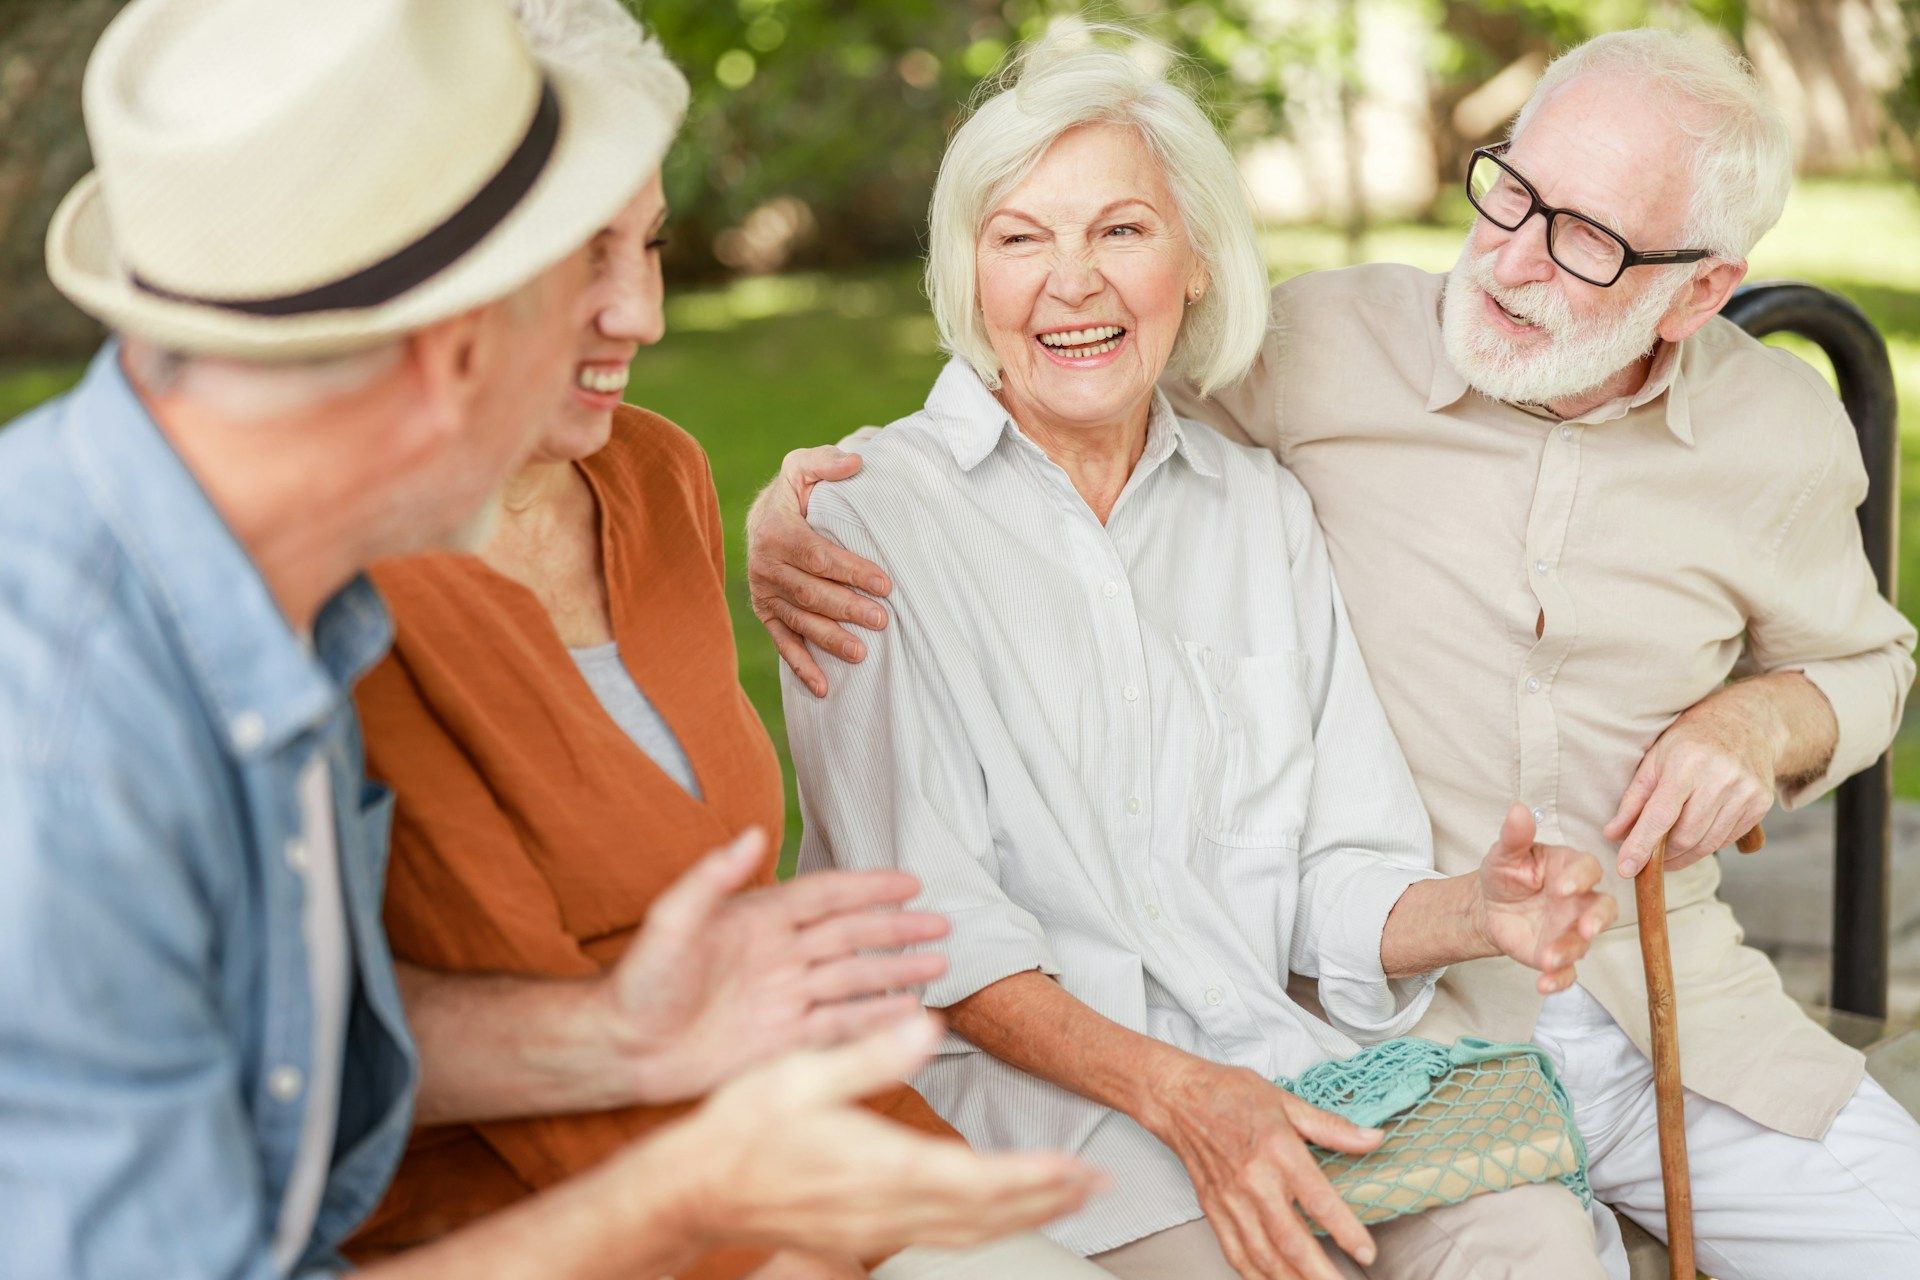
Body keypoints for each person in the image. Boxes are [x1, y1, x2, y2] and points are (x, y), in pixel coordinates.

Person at [748, 27, 1920, 1280]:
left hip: (1661, 1010)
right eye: (1511, 192)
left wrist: (1760, 723)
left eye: (1583, 239)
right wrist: (797, 511)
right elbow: (1055, 387)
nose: (1512, 257)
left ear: (1697, 290)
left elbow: (1870, 666)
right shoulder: (1319, 348)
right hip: (1379, 1022)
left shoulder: (1773, 428)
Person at [0, 2, 1098, 1278]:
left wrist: (620, 1031)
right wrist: (684, 1200)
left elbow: (285, 1054)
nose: (633, 317)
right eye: (565, 272)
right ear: (450, 346)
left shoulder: (249, 592)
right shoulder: (63, 737)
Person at [343, 4, 1109, 1278]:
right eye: (581, 257)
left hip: (793, 1121)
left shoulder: (656, 475)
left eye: (646, 244)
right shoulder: (352, 579)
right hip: (528, 1205)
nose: (640, 310)